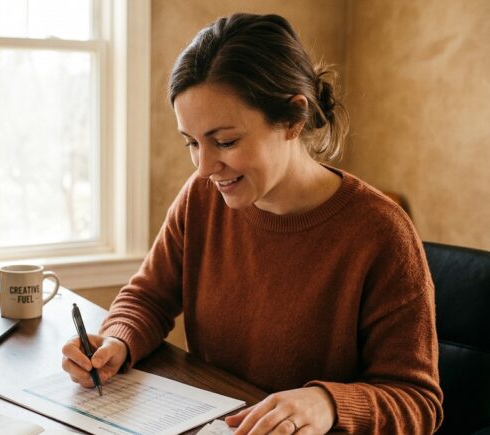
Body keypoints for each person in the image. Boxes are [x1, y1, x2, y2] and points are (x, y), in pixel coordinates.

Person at [61, 13, 443, 435]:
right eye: (191, 142)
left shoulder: (382, 234)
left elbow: (417, 402)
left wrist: (327, 402)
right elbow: (150, 297)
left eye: (225, 142)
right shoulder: (202, 197)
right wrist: (118, 339)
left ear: (294, 118)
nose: (205, 167)